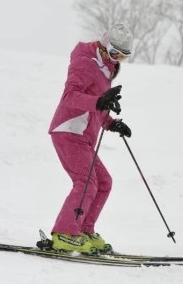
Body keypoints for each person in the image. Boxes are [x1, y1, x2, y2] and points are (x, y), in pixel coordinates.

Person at [48, 23, 134, 253]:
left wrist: (111, 123)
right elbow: (70, 97)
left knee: (104, 182)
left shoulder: (106, 69)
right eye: (115, 53)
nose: (118, 59)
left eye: (124, 57)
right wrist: (98, 102)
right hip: (69, 131)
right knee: (86, 182)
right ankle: (65, 233)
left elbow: (96, 104)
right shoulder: (85, 62)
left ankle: (84, 229)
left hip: (83, 135)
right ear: (105, 46)